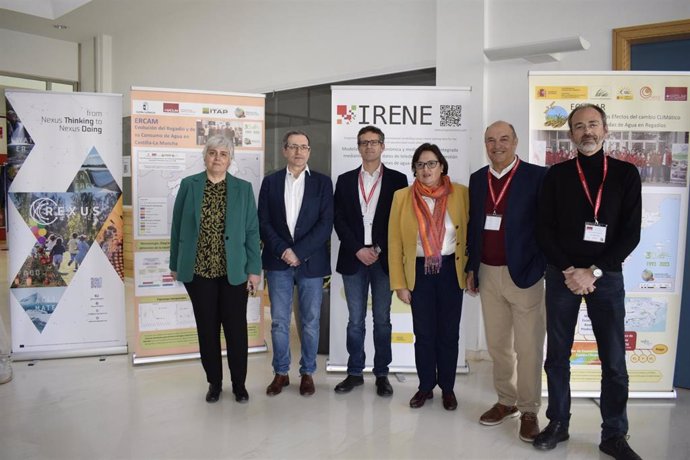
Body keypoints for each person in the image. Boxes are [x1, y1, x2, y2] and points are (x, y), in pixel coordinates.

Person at [534, 104, 642, 460]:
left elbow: (631, 233)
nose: (587, 132)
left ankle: (614, 434)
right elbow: (544, 229)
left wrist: (592, 271)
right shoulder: (557, 175)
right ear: (570, 135)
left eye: (593, 124)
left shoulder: (626, 174)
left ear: (605, 129)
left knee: (613, 359)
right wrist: (568, 270)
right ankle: (559, 423)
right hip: (562, 274)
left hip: (605, 276)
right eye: (579, 127)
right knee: (558, 356)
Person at [466, 121, 547, 442]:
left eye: (503, 139)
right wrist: (472, 267)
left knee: (528, 348)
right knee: (498, 346)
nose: (496, 145)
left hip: (524, 274)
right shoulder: (477, 179)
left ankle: (529, 409)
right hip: (487, 272)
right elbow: (473, 227)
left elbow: (547, 225)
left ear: (515, 142)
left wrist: (539, 265)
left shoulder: (537, 177)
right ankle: (506, 400)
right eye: (490, 140)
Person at [169, 134, 261, 404]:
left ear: (230, 158)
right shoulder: (189, 185)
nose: (217, 158)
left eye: (223, 153)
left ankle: (239, 384)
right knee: (207, 330)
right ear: (205, 156)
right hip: (198, 273)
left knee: (236, 330)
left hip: (234, 272)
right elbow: (176, 228)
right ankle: (214, 383)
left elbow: (252, 231)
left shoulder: (243, 189)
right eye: (212, 152)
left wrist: (254, 270)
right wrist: (175, 263)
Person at [388, 143, 468, 411]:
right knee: (423, 333)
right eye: (420, 164)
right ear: (414, 169)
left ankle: (447, 388)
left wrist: (471, 272)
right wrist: (399, 283)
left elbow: (469, 237)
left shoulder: (461, 194)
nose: (426, 169)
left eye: (431, 163)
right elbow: (395, 242)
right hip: (418, 272)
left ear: (442, 166)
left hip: (450, 271)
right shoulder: (402, 197)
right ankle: (425, 387)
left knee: (448, 333)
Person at [333, 126, 408, 396]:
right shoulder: (344, 180)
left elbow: (400, 221)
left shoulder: (398, 180)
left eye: (374, 142)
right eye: (364, 143)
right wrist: (357, 249)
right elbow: (338, 219)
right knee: (355, 320)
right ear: (358, 147)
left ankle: (382, 374)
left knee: (382, 320)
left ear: (383, 146)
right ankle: (354, 373)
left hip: (382, 259)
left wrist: (376, 248)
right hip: (354, 258)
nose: (369, 147)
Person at [258, 130, 333, 397]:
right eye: (293, 147)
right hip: (279, 263)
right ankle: (280, 372)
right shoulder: (271, 182)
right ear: (284, 151)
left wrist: (298, 252)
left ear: (309, 151)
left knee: (311, 321)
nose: (299, 152)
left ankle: (307, 372)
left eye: (304, 147)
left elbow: (325, 224)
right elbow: (263, 222)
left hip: (310, 263)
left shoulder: (323, 183)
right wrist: (284, 251)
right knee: (279, 321)